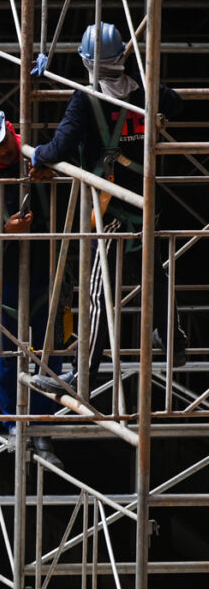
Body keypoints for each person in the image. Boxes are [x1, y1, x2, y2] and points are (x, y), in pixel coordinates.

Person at [29, 21, 187, 395]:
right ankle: (175, 339)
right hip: (146, 204)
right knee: (153, 274)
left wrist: (36, 154)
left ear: (85, 61)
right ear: (123, 57)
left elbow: (59, 148)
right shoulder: (144, 89)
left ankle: (81, 375)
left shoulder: (86, 99)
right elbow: (176, 103)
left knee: (99, 293)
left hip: (110, 209)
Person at [0, 104, 65, 467]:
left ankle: (42, 431)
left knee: (48, 358)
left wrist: (52, 176)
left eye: (6, 142)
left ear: (11, 127)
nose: (5, 151)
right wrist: (4, 234)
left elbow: (75, 199)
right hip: (7, 281)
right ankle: (16, 426)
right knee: (8, 357)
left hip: (47, 271)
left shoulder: (41, 160)